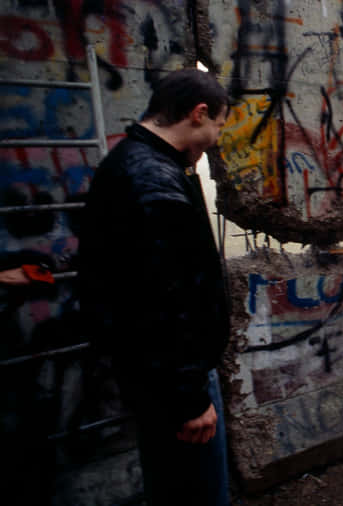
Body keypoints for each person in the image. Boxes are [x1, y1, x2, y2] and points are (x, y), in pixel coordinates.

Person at [79, 69, 231, 505]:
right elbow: (163, 299)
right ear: (199, 114)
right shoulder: (153, 181)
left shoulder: (131, 164)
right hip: (175, 385)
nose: (215, 140)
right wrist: (189, 396)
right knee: (197, 495)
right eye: (218, 127)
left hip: (154, 376)